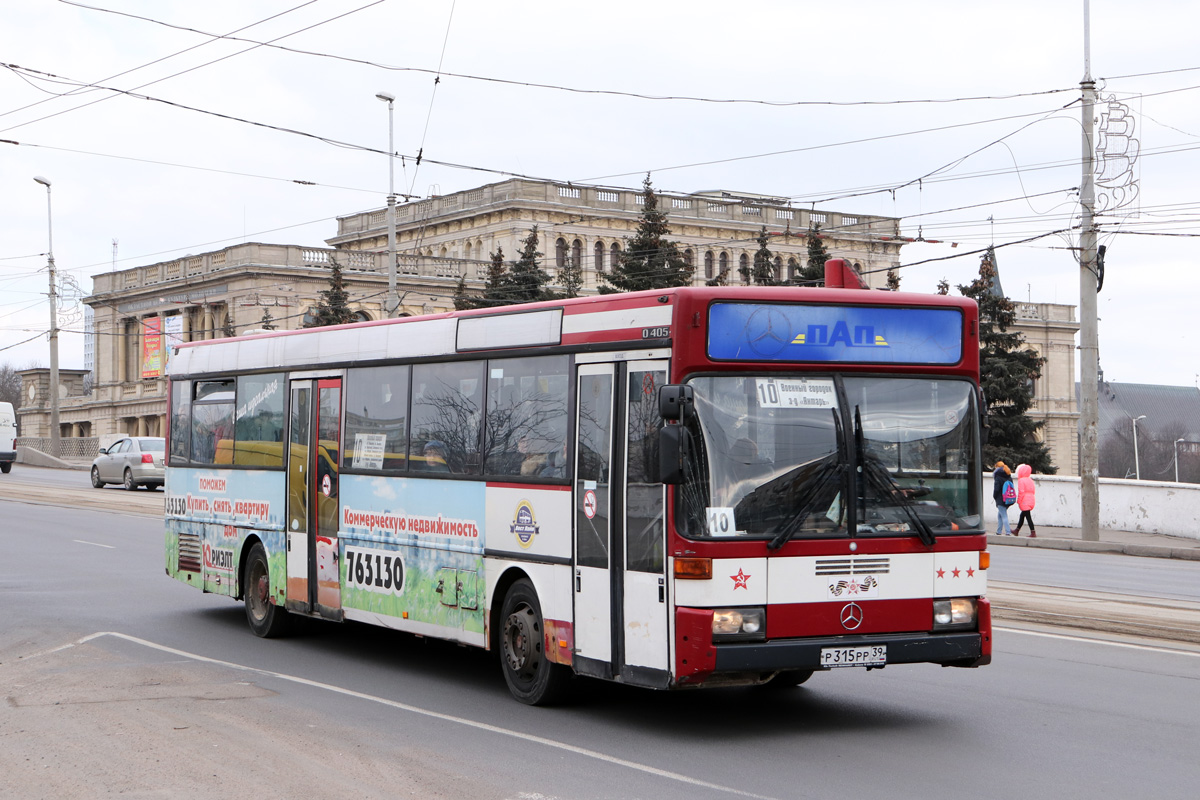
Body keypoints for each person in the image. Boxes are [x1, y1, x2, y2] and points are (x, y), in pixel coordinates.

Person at [1013, 463, 1038, 537]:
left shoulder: (1021, 480)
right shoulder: (1030, 480)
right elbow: (1033, 491)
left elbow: (1021, 491)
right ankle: (1016, 530)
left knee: (1028, 516)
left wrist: (1019, 500)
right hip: (1031, 499)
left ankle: (1033, 532)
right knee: (1022, 515)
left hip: (1025, 500)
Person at [992, 461, 1014, 536]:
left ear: (997, 468)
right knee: (1000, 515)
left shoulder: (998, 477)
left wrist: (994, 497)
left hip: (1000, 499)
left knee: (1004, 515)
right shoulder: (1009, 476)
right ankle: (999, 531)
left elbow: (996, 489)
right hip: (1008, 499)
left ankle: (1008, 532)